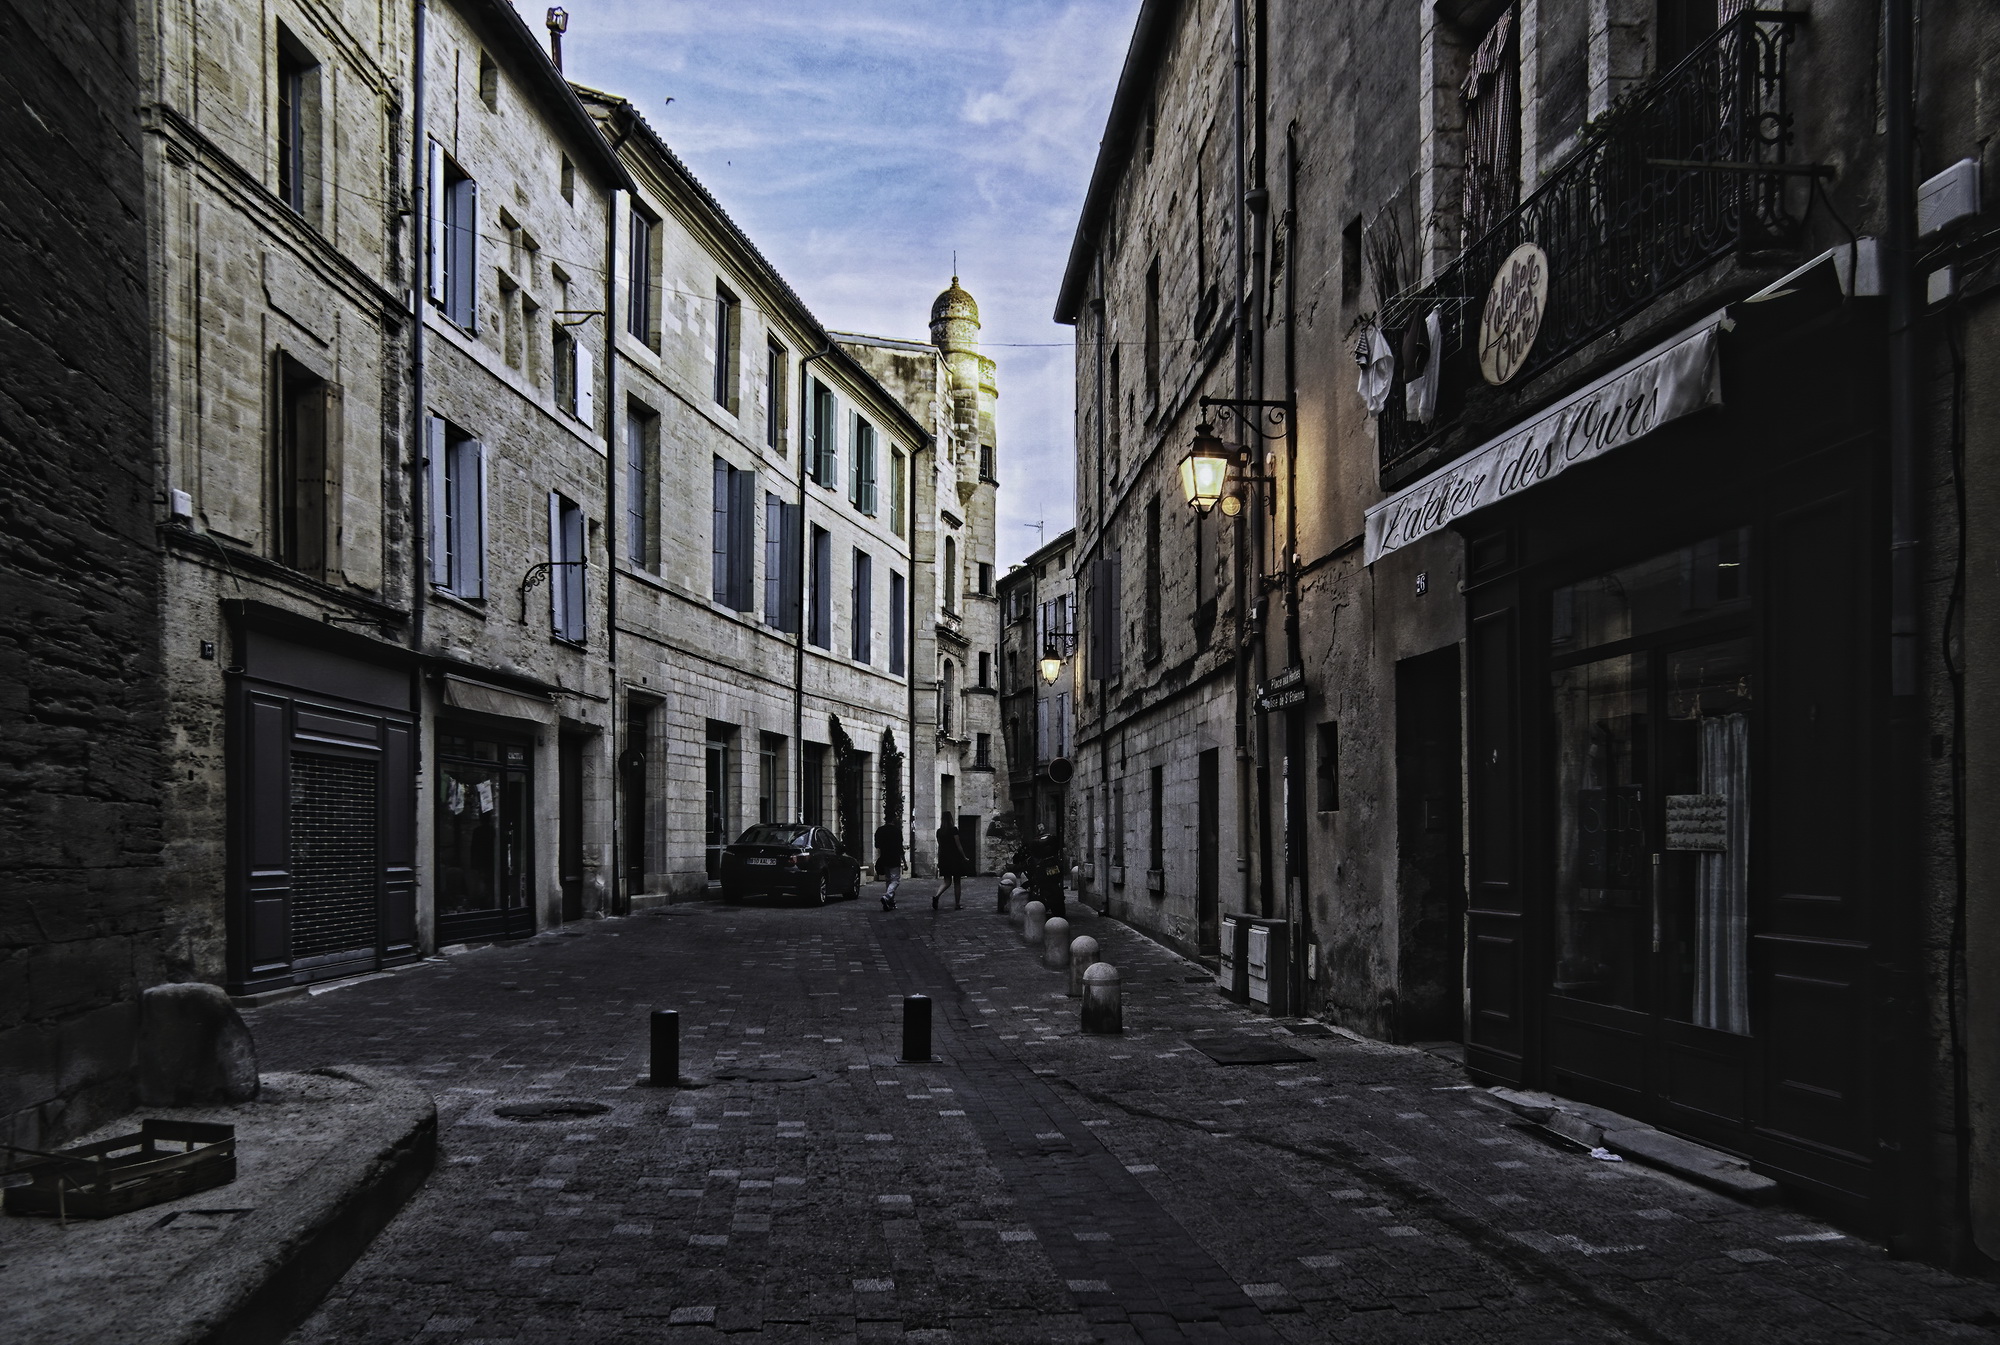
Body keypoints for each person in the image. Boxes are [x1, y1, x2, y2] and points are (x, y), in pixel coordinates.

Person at [933, 821, 967, 911]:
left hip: (944, 858)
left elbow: (940, 846)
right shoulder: (954, 830)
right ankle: (957, 904)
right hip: (955, 858)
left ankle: (937, 896)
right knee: (957, 882)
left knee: (947, 881)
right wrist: (964, 856)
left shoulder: (939, 832)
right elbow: (958, 845)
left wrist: (939, 859)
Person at [874, 819, 904, 911]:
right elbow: (900, 847)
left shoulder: (880, 830)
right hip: (894, 858)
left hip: (884, 857)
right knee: (895, 880)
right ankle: (887, 897)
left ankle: (890, 902)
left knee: (888, 879)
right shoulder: (897, 831)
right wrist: (904, 861)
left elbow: (877, 845)